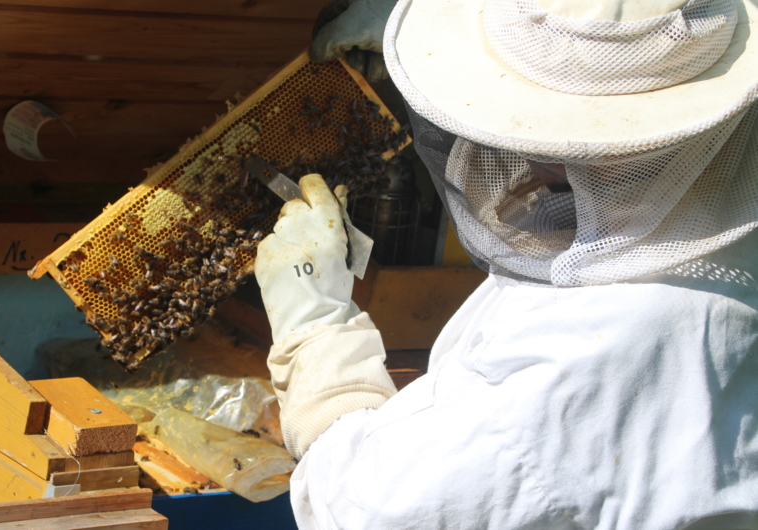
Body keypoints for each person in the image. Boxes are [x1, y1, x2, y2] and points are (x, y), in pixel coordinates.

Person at [253, 0, 758, 528]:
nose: (513, 144)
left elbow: (364, 509)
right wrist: (438, 51)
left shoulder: (580, 356)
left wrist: (316, 332)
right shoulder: (722, 193)